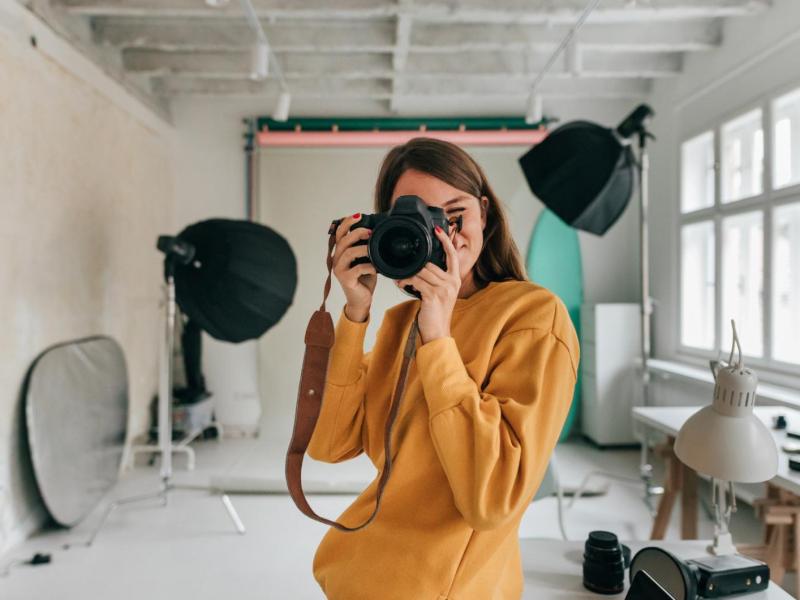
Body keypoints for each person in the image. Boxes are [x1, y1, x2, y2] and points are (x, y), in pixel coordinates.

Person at [307, 137, 579, 600]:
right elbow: (330, 444)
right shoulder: (397, 324)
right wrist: (355, 315)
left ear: (485, 216)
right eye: (418, 221)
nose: (443, 237)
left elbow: (492, 498)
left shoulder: (533, 316)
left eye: (453, 216)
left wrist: (438, 336)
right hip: (354, 577)